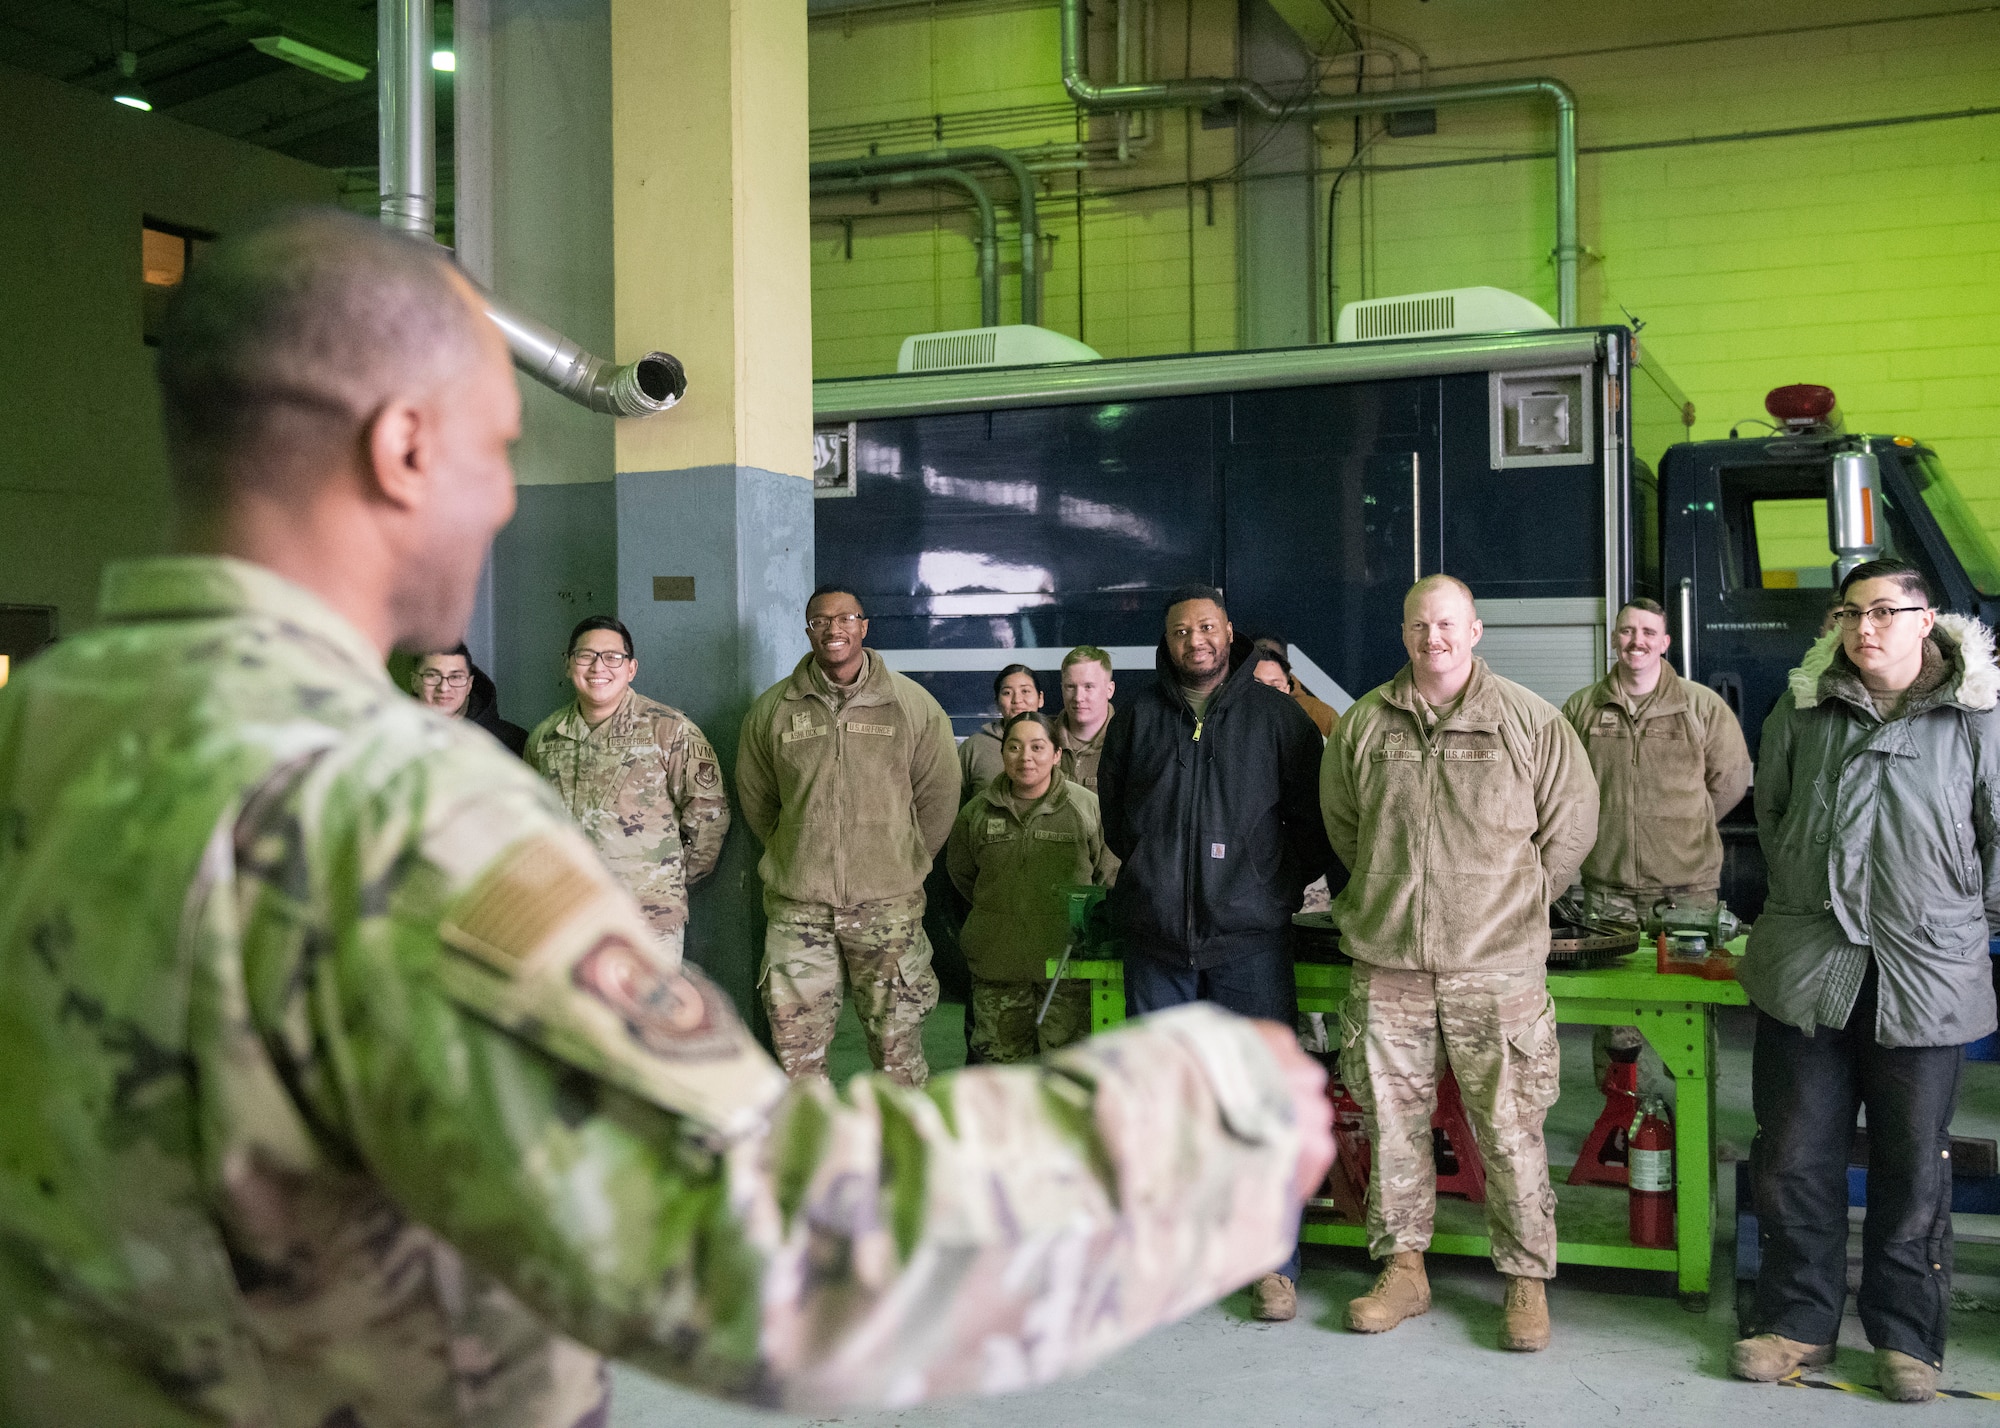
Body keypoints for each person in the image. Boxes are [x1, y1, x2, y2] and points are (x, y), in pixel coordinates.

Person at [0, 208, 1335, 1428]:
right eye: (501, 449)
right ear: (404, 445)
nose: (509, 498)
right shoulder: (396, 807)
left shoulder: (37, 734)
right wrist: (1197, 1114)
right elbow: (761, 1244)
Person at [1731, 558, 2000, 1402]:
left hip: (1926, 971)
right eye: (1850, 613)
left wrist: (1953, 922)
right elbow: (1770, 815)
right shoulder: (1803, 710)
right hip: (1810, 964)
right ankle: (1797, 1323)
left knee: (1914, 1163)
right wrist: (1817, 895)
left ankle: (1906, 1337)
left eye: (1885, 611)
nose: (1865, 628)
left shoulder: (1977, 718)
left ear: (1929, 621)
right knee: (1794, 1156)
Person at [1321, 574, 1597, 1353]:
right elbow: (1344, 823)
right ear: (1403, 632)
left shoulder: (1529, 722)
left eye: (1446, 624)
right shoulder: (1365, 725)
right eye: (1418, 626)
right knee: (1392, 1126)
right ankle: (1403, 1268)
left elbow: (1570, 825)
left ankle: (1525, 1280)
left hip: (1497, 967)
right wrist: (1388, 890)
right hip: (1390, 963)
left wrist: (1515, 901)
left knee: (1510, 1128)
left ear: (1475, 631)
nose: (1431, 638)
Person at [1098, 583, 1334, 1322]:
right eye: (1179, 631)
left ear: (1229, 632)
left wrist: (1268, 891)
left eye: (1206, 627)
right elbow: (1115, 820)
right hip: (1158, 944)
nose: (1194, 641)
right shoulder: (1136, 717)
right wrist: (1155, 879)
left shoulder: (1276, 719)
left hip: (1250, 946)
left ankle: (1273, 1266)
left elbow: (1311, 824)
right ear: (1163, 643)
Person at [736, 584, 961, 1086]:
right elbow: (758, 798)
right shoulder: (773, 710)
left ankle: (902, 1157)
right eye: (820, 621)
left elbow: (940, 796)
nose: (833, 629)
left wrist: (901, 858)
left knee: (896, 1051)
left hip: (888, 908)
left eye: (846, 618)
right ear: (808, 630)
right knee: (796, 1055)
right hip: (800, 909)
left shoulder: (913, 707)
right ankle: (812, 1159)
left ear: (864, 626)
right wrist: (797, 849)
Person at [1560, 597, 1751, 1090]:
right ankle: (1620, 1132)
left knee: (1690, 1010)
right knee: (1617, 1019)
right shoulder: (1582, 708)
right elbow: (1564, 786)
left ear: (1665, 643)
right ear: (1614, 639)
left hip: (1687, 892)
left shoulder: (1701, 706)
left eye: (1648, 632)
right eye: (1627, 631)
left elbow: (1729, 781)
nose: (1636, 641)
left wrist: (1682, 825)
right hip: (1609, 892)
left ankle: (1693, 1131)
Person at [524, 614, 730, 959]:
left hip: (647, 919)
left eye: (612, 657)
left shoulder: (669, 730)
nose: (598, 667)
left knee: (647, 1014)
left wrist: (665, 881)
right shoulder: (546, 737)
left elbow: (709, 817)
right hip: (567, 916)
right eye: (585, 656)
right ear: (568, 664)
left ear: (631, 668)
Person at [946, 711, 1114, 1062]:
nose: (1026, 757)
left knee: (1065, 1081)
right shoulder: (976, 813)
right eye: (1014, 747)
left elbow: (1106, 876)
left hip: (1065, 975)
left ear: (1056, 754)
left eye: (1038, 747)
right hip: (998, 973)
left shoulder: (1085, 807)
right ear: (1002, 752)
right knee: (1003, 1087)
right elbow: (963, 877)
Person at [410, 641, 529, 754]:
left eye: (456, 677)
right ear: (415, 682)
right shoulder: (394, 738)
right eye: (432, 675)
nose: (444, 688)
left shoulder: (511, 742)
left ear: (469, 684)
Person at [958, 661, 1045, 799]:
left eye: (1025, 691)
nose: (1017, 700)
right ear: (997, 702)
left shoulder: (1054, 743)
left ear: (1040, 698)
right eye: (1007, 692)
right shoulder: (975, 746)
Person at [1057, 644, 1117, 791]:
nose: (1078, 697)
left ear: (1109, 690)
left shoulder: (1129, 744)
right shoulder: (1044, 742)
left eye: (1088, 687)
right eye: (1070, 686)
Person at [1254, 634, 1338, 738]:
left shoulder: (1320, 714)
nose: (1266, 693)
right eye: (1257, 684)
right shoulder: (1232, 718)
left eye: (1275, 687)